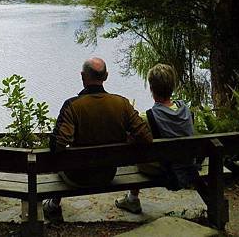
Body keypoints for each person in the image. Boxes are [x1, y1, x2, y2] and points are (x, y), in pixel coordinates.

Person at [43, 57, 152, 223]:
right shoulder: (121, 104)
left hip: (77, 177)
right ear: (106, 76)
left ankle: (53, 205)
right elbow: (146, 137)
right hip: (108, 174)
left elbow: (57, 144)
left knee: (61, 160)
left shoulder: (73, 106)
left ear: (82, 76)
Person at [115, 63, 198, 214]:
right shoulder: (185, 109)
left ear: (151, 88)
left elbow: (130, 142)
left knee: (138, 150)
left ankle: (132, 199)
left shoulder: (147, 118)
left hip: (165, 169)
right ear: (172, 86)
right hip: (187, 164)